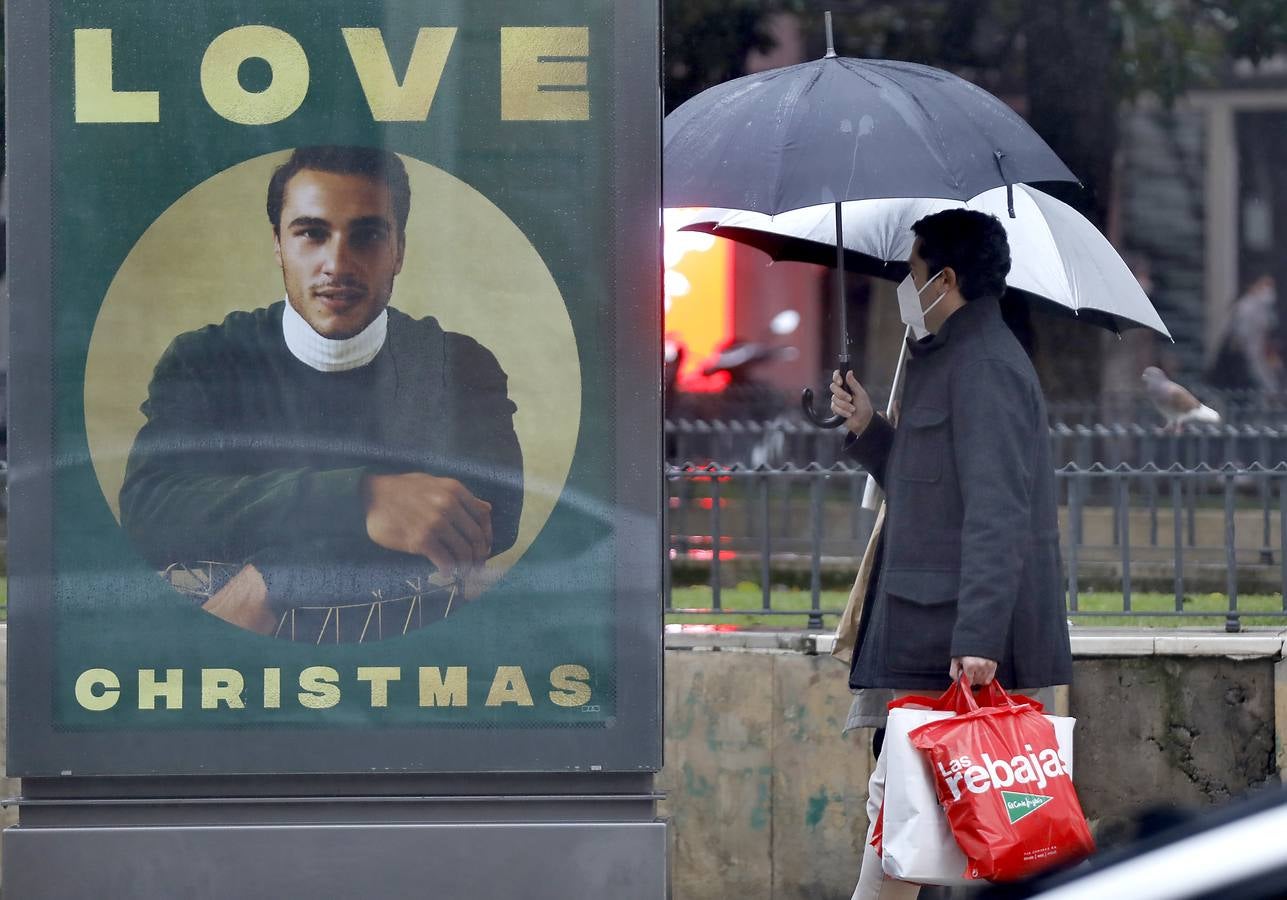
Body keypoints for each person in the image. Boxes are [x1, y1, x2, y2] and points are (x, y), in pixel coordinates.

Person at [120, 146, 523, 640]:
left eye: (368, 235)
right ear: (278, 245)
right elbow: (151, 512)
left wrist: (279, 575)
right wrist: (362, 499)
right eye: (312, 233)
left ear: (399, 250)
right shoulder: (204, 359)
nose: (337, 263)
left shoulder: (456, 364)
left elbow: (487, 522)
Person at [828, 209, 1072, 898]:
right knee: (908, 823)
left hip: (949, 644)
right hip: (927, 634)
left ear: (946, 278)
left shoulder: (985, 366)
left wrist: (977, 639)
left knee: (908, 823)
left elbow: (998, 513)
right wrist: (868, 427)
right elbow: (924, 485)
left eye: (911, 272)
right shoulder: (946, 357)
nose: (906, 286)